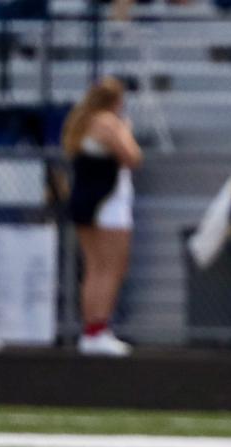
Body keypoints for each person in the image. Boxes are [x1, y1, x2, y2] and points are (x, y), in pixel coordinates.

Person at [64, 76, 143, 357]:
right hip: (108, 204)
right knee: (110, 268)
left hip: (90, 201)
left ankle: (93, 330)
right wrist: (126, 129)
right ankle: (98, 329)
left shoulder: (83, 120)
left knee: (95, 268)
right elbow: (132, 156)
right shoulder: (107, 122)